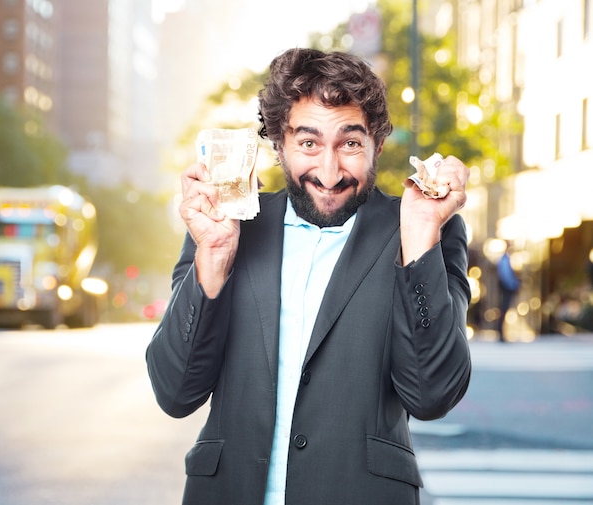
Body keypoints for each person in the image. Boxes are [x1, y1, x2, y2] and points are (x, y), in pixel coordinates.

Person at [146, 48, 472, 505]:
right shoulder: (226, 224)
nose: (329, 171)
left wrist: (418, 236)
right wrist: (215, 257)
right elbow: (174, 390)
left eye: (351, 143)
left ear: (377, 144)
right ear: (279, 144)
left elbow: (434, 394)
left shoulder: (425, 229)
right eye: (309, 143)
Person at [496, 246, 520, 342]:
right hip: (507, 288)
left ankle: (501, 332)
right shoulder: (505, 260)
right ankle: (500, 332)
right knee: (503, 310)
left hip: (507, 287)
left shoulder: (505, 260)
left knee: (504, 310)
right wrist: (514, 285)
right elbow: (506, 276)